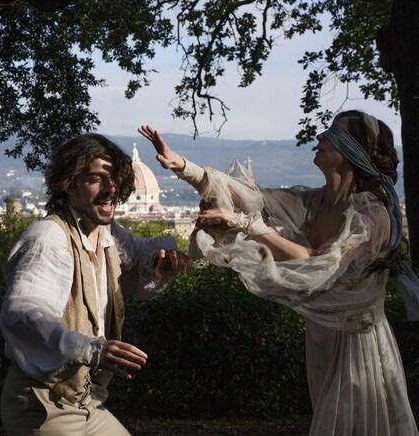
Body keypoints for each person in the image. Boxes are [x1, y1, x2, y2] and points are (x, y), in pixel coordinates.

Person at [139, 110, 419, 436]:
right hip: (321, 337)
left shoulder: (373, 214)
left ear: (355, 151)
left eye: (333, 133)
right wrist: (184, 167)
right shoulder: (313, 201)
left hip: (358, 344)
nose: (320, 137)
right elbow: (250, 196)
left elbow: (318, 264)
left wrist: (249, 226)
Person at [0, 133, 191, 435]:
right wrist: (91, 350)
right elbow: (23, 315)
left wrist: (162, 263)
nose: (110, 187)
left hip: (85, 400)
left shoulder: (109, 236)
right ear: (69, 185)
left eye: (115, 178)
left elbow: (141, 254)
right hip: (42, 404)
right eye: (96, 179)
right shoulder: (48, 239)